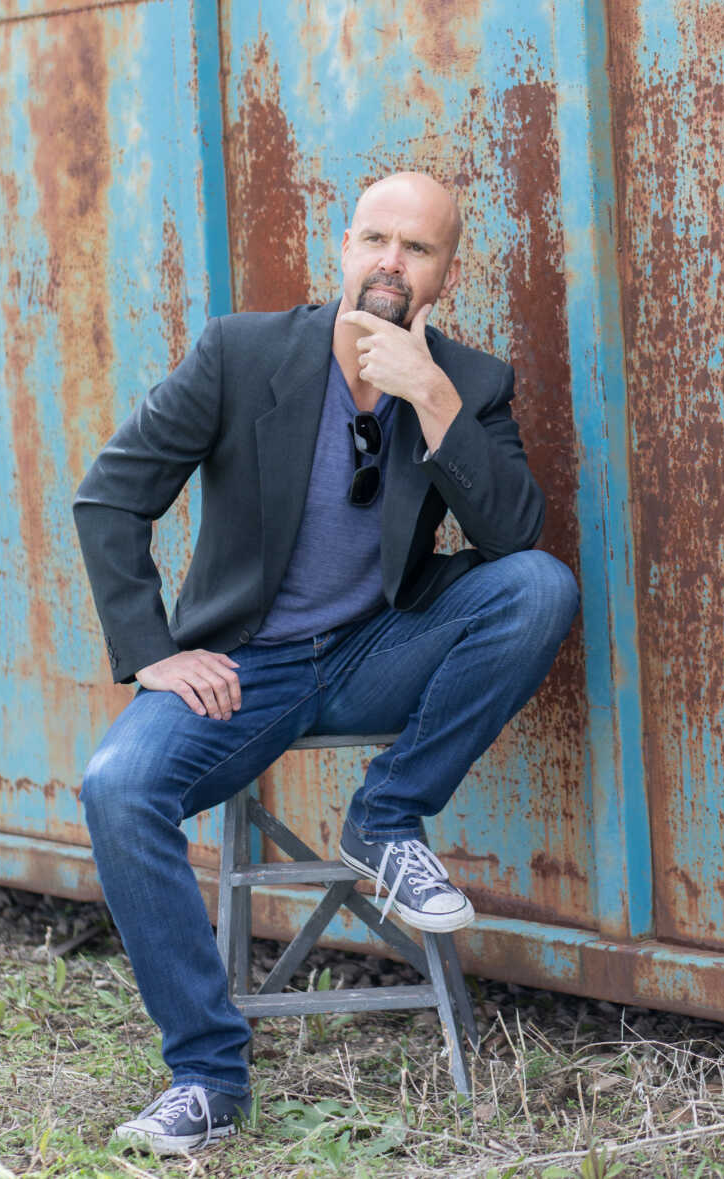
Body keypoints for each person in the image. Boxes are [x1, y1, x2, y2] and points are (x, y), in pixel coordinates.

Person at [73, 172, 579, 1155]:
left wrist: (430, 396)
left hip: (377, 649)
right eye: (376, 240)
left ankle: (387, 818)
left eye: (417, 248)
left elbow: (513, 534)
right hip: (243, 667)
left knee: (541, 588)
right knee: (117, 788)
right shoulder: (243, 351)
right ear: (344, 247)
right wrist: (156, 653)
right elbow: (110, 498)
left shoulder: (470, 382)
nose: (392, 262)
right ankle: (210, 1078)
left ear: (445, 271)